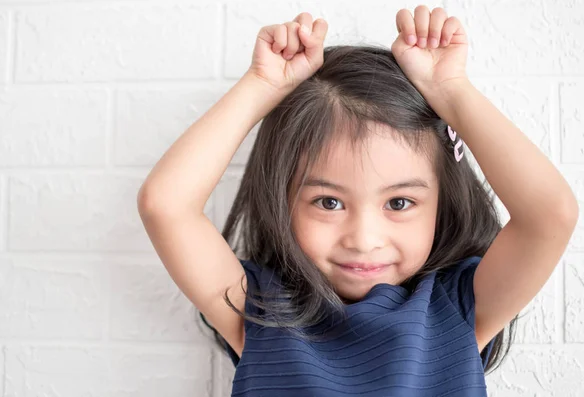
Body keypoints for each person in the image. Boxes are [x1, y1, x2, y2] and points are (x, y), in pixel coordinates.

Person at [137, 5, 579, 397]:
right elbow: (166, 205)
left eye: (399, 203)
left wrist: (451, 91)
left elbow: (549, 214)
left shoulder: (459, 309)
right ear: (281, 199)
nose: (364, 239)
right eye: (328, 203)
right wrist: (261, 87)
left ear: (441, 204)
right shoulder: (260, 310)